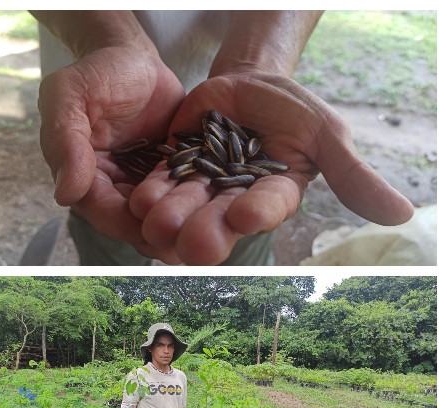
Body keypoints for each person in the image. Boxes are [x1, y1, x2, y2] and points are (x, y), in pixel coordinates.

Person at [31, 11, 414, 265]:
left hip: (245, 103)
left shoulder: (238, 153)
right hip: (111, 117)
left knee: (239, 228)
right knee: (115, 223)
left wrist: (256, 63)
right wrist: (109, 40)